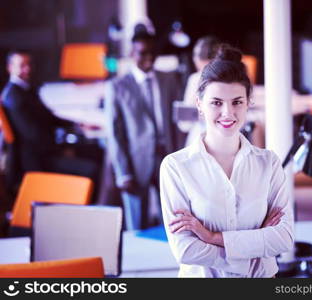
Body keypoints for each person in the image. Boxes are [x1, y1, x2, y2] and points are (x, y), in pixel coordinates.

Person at [159, 45, 294, 278]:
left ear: (249, 102)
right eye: (216, 102)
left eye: (237, 102)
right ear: (199, 104)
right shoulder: (176, 167)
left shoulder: (268, 164)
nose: (228, 113)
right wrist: (253, 248)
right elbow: (185, 249)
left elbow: (283, 238)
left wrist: (212, 238)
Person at [105, 26, 182, 230]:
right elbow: (114, 134)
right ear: (131, 54)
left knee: (174, 221)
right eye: (142, 53)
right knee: (137, 224)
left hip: (167, 157)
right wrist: (123, 172)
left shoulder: (169, 80)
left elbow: (178, 122)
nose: (148, 57)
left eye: (152, 52)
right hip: (135, 162)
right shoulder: (117, 86)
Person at [1, 50, 97, 184]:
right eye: (22, 65)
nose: (27, 69)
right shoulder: (14, 98)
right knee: (92, 168)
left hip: (46, 150)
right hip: (37, 160)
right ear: (10, 68)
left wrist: (78, 124)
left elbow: (49, 117)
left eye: (29, 64)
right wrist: (62, 150)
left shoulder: (25, 90)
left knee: (95, 151)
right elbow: (33, 135)